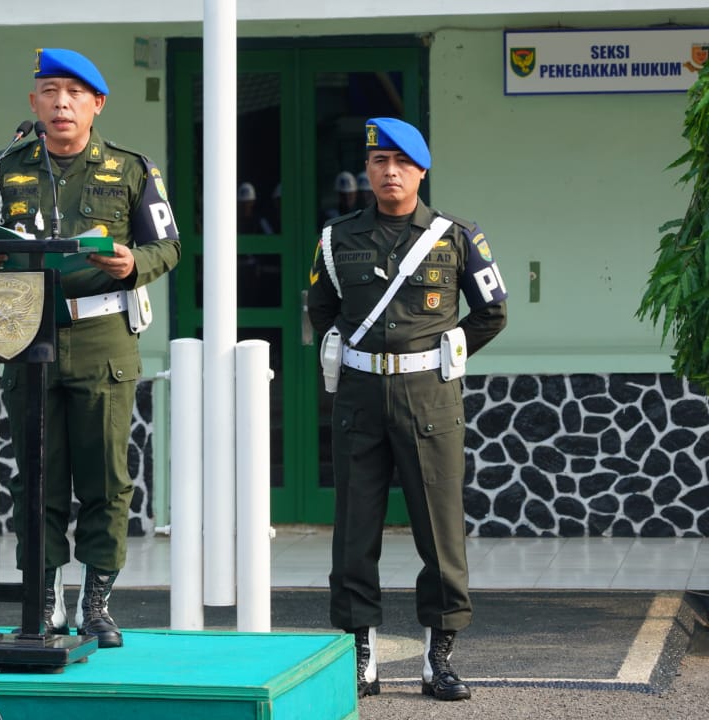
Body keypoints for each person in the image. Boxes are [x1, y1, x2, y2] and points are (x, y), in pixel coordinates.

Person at [0, 47, 181, 649]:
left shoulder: (132, 169)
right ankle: (46, 599)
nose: (62, 103)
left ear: (97, 105)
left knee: (106, 479)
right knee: (35, 477)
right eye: (51, 91)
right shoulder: (2, 170)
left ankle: (98, 603)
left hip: (102, 338)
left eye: (75, 94)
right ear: (34, 101)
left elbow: (168, 245)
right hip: (24, 336)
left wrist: (131, 262)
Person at [306, 117, 507, 700]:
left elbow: (492, 312)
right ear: (367, 170)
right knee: (355, 530)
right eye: (378, 162)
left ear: (421, 170)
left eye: (401, 162)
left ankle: (438, 657)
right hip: (360, 400)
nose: (389, 172)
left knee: (439, 531)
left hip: (429, 399)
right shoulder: (335, 238)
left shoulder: (457, 236)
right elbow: (321, 309)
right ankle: (361, 654)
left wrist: (447, 351)